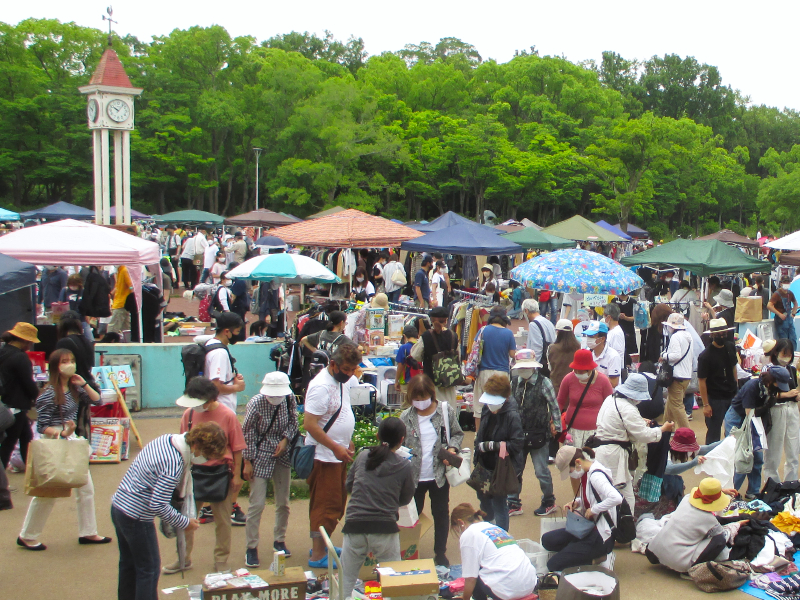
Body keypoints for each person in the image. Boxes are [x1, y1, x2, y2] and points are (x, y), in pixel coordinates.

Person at [112, 422, 225, 600]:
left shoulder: (167, 440)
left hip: (120, 505)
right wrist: (184, 522)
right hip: (137, 516)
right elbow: (157, 504)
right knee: (149, 569)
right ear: (196, 445)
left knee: (129, 564)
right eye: (205, 454)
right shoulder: (174, 463)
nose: (203, 459)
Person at [17, 348, 108, 550]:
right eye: (65, 361)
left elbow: (97, 400)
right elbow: (42, 425)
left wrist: (83, 382)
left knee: (85, 488)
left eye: (72, 360)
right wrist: (63, 433)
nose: (70, 364)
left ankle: (88, 531)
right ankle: (27, 535)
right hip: (56, 439)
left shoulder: (75, 388)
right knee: (48, 491)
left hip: (71, 438)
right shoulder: (48, 394)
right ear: (56, 366)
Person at [163, 377, 246, 573]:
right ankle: (183, 558)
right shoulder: (189, 414)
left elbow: (237, 447)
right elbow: (183, 444)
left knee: (223, 521)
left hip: (220, 473)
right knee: (186, 518)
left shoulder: (227, 415)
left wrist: (237, 476)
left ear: (209, 398)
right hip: (194, 474)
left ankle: (221, 561)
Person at [340, 417, 416, 598]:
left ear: (377, 435)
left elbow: (349, 485)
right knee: (391, 583)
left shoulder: (363, 456)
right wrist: (388, 502)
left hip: (354, 525)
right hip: (385, 529)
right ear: (401, 440)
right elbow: (406, 498)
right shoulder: (404, 465)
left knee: (346, 580)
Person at [305, 343, 361, 568]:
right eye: (346, 369)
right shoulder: (321, 386)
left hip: (337, 453)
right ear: (333, 364)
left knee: (337, 503)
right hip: (323, 455)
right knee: (324, 506)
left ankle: (324, 545)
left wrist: (346, 440)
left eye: (352, 370)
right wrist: (335, 446)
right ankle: (318, 554)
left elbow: (340, 412)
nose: (349, 374)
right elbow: (310, 424)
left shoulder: (341, 382)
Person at [400, 374, 464, 566]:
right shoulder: (406, 416)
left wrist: (452, 449)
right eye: (416, 399)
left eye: (423, 398)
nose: (420, 403)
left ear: (431, 394)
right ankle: (409, 549)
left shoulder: (445, 411)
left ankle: (440, 552)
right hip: (413, 476)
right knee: (411, 514)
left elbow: (458, 433)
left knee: (441, 513)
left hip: (438, 475)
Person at [593, 374, 674, 510]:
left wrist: (640, 420)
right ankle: (624, 525)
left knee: (605, 492)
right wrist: (663, 429)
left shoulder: (610, 399)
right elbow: (644, 435)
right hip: (613, 455)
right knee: (624, 496)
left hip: (601, 450)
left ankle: (617, 523)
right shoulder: (629, 409)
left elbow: (620, 421)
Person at [242, 371, 299, 568]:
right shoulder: (256, 403)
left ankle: (279, 540)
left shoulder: (289, 399)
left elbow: (294, 422)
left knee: (283, 502)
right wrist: (248, 461)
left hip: (281, 454)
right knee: (256, 504)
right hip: (260, 455)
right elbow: (247, 433)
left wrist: (285, 440)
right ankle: (251, 547)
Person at [544, 446, 622, 571]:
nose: (571, 474)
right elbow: (592, 497)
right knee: (547, 540)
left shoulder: (596, 476)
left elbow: (616, 498)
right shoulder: (586, 472)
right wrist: (576, 503)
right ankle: (578, 551)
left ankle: (597, 557)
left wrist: (594, 510)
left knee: (552, 565)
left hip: (600, 535)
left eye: (570, 471)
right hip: (588, 528)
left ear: (578, 463)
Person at [507, 349, 561, 518]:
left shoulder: (544, 383)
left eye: (526, 367)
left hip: (539, 434)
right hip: (517, 433)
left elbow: (554, 406)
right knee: (516, 469)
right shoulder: (514, 382)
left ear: (533, 367)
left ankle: (549, 501)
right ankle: (513, 502)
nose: (522, 371)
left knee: (541, 470)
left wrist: (557, 426)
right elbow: (508, 405)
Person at [724, 366, 792, 499]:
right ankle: (731, 492)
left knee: (758, 457)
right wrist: (766, 406)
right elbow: (749, 412)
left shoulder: (771, 387)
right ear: (772, 379)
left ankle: (753, 491)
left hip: (755, 421)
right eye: (779, 383)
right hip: (738, 418)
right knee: (742, 457)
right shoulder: (752, 386)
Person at [646, 478, 739, 574]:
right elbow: (723, 535)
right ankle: (693, 569)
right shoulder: (709, 520)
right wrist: (737, 524)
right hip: (678, 563)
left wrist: (720, 492)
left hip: (653, 551)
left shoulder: (686, 499)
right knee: (719, 539)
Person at [450, 503, 537, 600]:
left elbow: (470, 578)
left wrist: (465, 598)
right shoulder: (492, 527)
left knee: (475, 570)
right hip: (529, 583)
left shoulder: (468, 534)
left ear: (460, 522)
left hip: (508, 588)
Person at [474, 374, 524, 532]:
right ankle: (490, 527)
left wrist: (492, 446)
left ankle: (502, 536)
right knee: (483, 499)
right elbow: (481, 433)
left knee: (499, 503)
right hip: (484, 464)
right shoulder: (486, 408)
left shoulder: (512, 415)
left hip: (502, 467)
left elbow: (516, 444)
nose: (490, 404)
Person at [0, 323, 41, 485]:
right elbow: (28, 383)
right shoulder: (20, 357)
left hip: (5, 405)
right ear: (25, 341)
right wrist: (36, 396)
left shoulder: (2, 351)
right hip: (16, 405)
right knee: (10, 443)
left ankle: (33, 474)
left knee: (26, 437)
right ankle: (2, 480)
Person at [556, 349, 614, 449]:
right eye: (576, 370)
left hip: (595, 433)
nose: (578, 373)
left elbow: (611, 405)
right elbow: (560, 401)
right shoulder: (568, 379)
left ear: (590, 369)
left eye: (581, 371)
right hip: (572, 431)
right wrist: (554, 421)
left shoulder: (603, 381)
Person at [472, 307, 517, 431]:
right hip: (502, 373)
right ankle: (498, 433)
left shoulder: (483, 330)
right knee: (500, 405)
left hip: (484, 371)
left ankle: (478, 435)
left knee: (479, 406)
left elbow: (474, 350)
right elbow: (513, 354)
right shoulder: (508, 333)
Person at [762, 339, 800, 483]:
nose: (787, 357)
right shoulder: (768, 369)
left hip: (792, 409)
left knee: (793, 450)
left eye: (790, 355)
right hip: (776, 409)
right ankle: (772, 485)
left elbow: (794, 388)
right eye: (784, 353)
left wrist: (796, 397)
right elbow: (765, 394)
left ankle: (791, 483)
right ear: (776, 352)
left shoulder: (791, 369)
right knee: (774, 450)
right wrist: (785, 395)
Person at [410, 306, 461, 410]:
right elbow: (458, 355)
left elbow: (415, 355)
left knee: (434, 410)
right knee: (449, 411)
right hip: (450, 381)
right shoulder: (453, 336)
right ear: (446, 320)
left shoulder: (426, 336)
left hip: (432, 382)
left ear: (432, 321)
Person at [697, 318, 739, 444]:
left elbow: (733, 368)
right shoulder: (705, 356)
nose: (722, 336)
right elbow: (702, 381)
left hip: (731, 395)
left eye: (724, 333)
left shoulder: (730, 347)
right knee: (714, 432)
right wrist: (706, 404)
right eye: (719, 334)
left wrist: (736, 389)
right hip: (715, 399)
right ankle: (711, 457)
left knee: (734, 430)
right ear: (712, 335)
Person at [660, 313, 694, 430]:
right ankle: (667, 428)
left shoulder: (675, 337)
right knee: (671, 403)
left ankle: (688, 433)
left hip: (677, 376)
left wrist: (664, 355)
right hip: (686, 376)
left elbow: (676, 355)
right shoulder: (688, 336)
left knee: (677, 406)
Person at [55, 311, 95, 390]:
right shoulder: (87, 341)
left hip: (73, 385)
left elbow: (58, 367)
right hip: (87, 384)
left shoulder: (64, 342)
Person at [547, 320, 581, 395]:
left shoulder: (552, 348)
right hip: (574, 388)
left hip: (556, 388)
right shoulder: (578, 347)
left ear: (558, 332)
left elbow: (550, 368)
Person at [584, 321, 622, 387]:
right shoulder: (587, 352)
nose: (588, 339)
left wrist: (594, 375)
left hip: (608, 395)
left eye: (592, 336)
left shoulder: (613, 356)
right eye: (588, 336)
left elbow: (614, 383)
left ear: (602, 339)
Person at [523, 299, 556, 369]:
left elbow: (537, 347)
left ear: (526, 310)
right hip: (550, 361)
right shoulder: (548, 322)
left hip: (541, 364)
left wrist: (534, 368)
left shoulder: (533, 324)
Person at [768, 276, 798, 352]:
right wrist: (779, 314)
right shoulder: (777, 294)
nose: (786, 284)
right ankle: (784, 354)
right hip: (780, 321)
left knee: (793, 339)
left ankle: (793, 354)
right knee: (784, 341)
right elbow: (769, 305)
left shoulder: (790, 293)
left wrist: (793, 313)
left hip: (789, 319)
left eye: (788, 283)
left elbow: (795, 303)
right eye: (785, 282)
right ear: (781, 283)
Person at [395, 325, 421, 404]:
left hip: (407, 381)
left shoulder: (404, 348)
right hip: (420, 381)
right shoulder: (421, 346)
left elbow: (400, 366)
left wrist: (396, 381)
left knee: (406, 405)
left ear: (404, 336)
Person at [108, 265, 134, 335]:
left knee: (113, 328)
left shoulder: (124, 270)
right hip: (123, 304)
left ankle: (109, 343)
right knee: (127, 329)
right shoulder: (120, 270)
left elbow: (131, 286)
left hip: (121, 304)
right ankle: (129, 343)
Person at [611, 291, 638, 356]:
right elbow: (610, 315)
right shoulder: (614, 301)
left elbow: (636, 317)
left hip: (629, 329)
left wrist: (626, 318)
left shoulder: (633, 302)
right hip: (616, 328)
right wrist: (617, 315)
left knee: (629, 352)